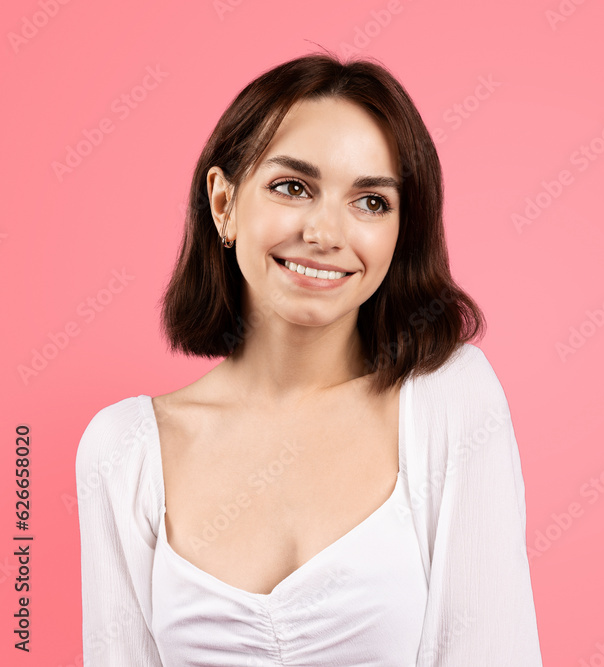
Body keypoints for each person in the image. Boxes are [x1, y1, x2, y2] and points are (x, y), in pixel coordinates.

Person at [75, 52, 543, 666]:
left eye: (371, 201)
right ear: (223, 203)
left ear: (403, 230)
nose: (326, 233)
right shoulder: (124, 448)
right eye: (292, 187)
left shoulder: (448, 399)